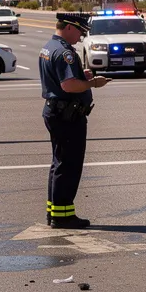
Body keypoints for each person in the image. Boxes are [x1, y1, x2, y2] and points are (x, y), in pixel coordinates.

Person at [40, 13, 110, 228]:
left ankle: (55, 213)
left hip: (57, 112)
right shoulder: (64, 53)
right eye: (80, 31)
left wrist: (82, 77)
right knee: (68, 166)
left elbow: (64, 79)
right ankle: (63, 217)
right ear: (69, 27)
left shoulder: (49, 47)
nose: (81, 36)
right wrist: (93, 84)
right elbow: (68, 85)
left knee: (59, 163)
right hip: (67, 116)